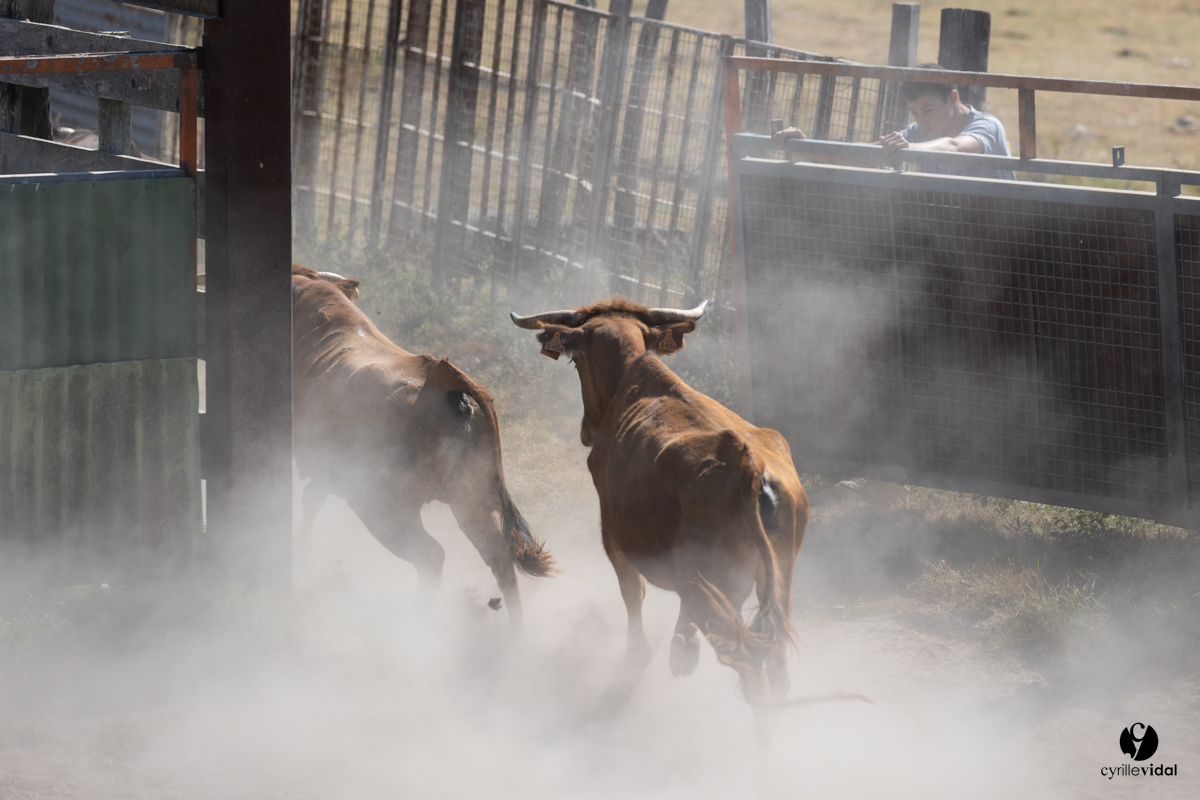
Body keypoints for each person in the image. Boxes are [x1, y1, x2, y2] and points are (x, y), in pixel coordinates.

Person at [773, 63, 1015, 180]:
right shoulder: (918, 132)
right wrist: (806, 146)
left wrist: (909, 148)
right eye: (914, 112)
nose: (921, 120)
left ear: (953, 98)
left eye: (928, 110)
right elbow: (861, 156)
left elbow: (955, 147)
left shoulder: (986, 125)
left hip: (1000, 231)